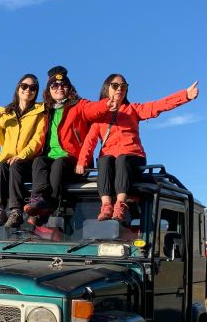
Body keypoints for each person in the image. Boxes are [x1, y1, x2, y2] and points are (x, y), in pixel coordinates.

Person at [77, 75, 199, 222]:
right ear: (106, 88)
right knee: (104, 160)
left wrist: (185, 95)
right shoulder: (100, 116)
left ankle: (120, 204)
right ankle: (106, 205)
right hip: (109, 161)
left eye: (124, 86)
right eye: (115, 86)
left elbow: (158, 106)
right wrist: (82, 162)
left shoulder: (133, 110)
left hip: (133, 158)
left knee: (122, 159)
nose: (120, 89)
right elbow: (90, 141)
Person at [24, 66, 114, 222]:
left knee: (58, 165)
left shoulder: (78, 105)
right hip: (48, 157)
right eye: (54, 85)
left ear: (69, 87)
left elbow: (94, 109)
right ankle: (38, 200)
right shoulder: (44, 110)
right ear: (49, 89)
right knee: (39, 161)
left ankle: (49, 207)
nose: (59, 88)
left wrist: (107, 103)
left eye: (63, 85)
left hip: (72, 159)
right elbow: (23, 115)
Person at [0, 74, 46, 228]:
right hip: (8, 159)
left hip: (29, 160)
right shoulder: (6, 112)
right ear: (18, 88)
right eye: (24, 86)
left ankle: (16, 211)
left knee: (15, 166)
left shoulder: (40, 112)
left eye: (33, 87)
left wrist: (21, 155)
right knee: (1, 167)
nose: (28, 90)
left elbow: (37, 139)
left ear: (36, 91)